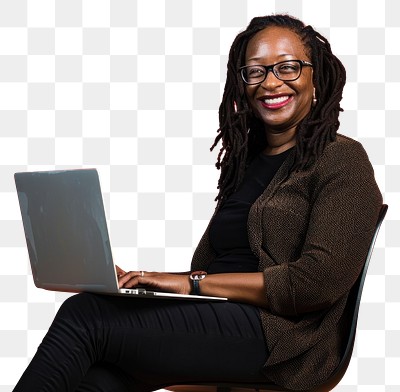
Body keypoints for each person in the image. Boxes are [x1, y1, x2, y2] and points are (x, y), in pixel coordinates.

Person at [14, 14, 382, 392]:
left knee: (85, 317)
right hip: (222, 319)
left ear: (315, 75)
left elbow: (314, 284)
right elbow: (215, 269)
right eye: (255, 72)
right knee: (100, 377)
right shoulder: (247, 165)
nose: (271, 82)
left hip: (283, 340)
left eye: (288, 67)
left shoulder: (341, 159)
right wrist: (143, 286)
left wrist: (192, 284)